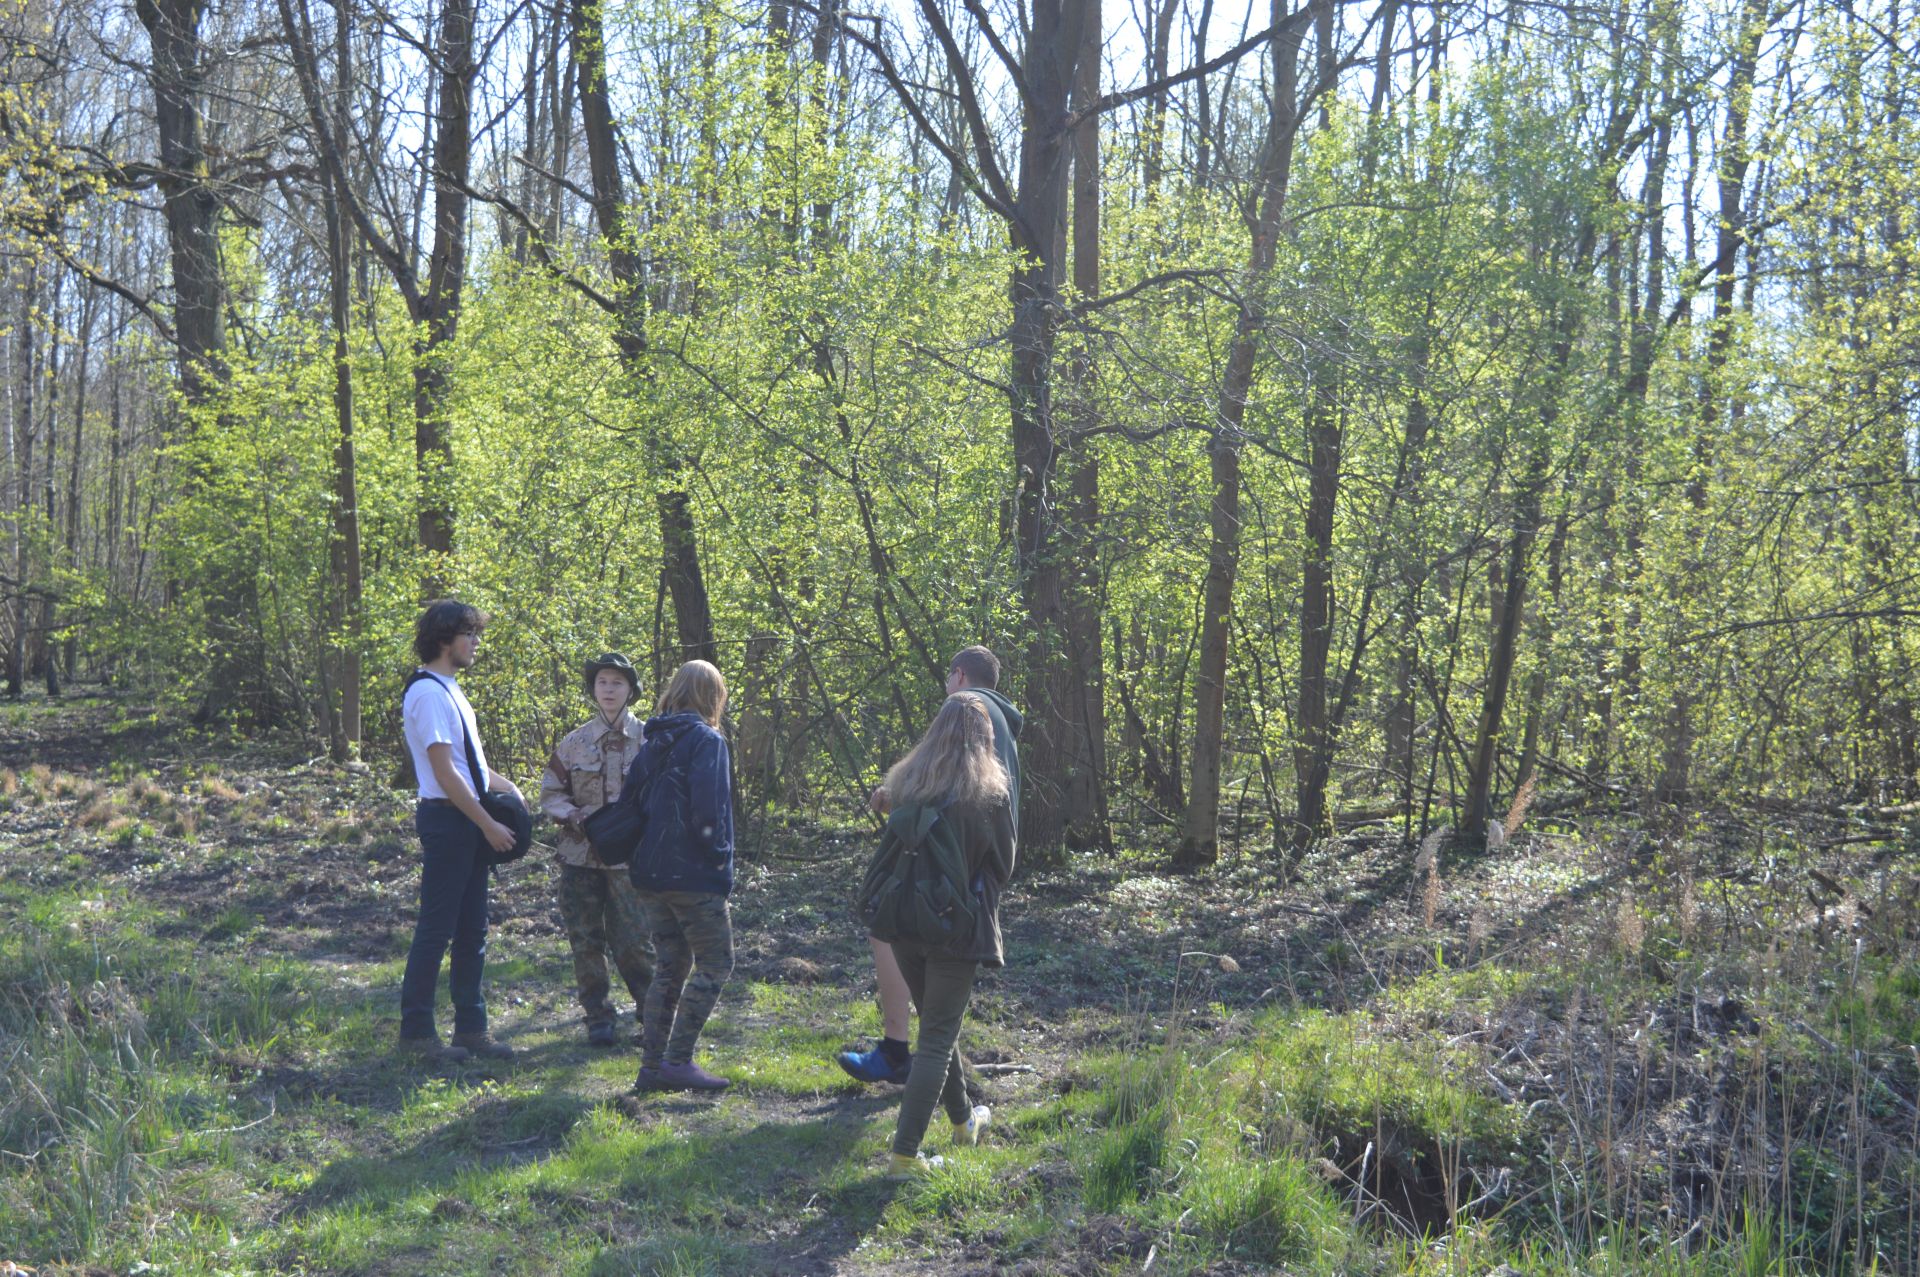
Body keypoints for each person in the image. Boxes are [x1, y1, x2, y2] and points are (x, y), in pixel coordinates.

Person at [840, 645, 1022, 1085]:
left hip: (948, 866)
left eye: (947, 677)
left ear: (958, 675)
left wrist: (899, 799)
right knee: (937, 1000)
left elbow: (950, 790)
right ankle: (946, 1090)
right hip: (976, 865)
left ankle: (897, 1051)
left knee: (889, 923)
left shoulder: (964, 707)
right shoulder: (1003, 721)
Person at [870, 694, 1016, 1179]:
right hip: (956, 926)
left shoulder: (906, 784)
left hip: (904, 922)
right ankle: (904, 1157)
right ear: (985, 739)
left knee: (936, 1022)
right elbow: (1003, 866)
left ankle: (963, 1121)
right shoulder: (989, 796)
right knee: (935, 1038)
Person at [397, 599, 525, 1063]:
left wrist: (510, 791)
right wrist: (487, 823)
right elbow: (445, 774)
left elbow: (470, 766)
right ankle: (417, 1035)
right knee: (436, 929)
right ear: (443, 639)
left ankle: (472, 1030)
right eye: (469, 634)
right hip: (449, 820)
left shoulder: (450, 689)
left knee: (473, 930)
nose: (475, 643)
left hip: (465, 818)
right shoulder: (428, 694)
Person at [625, 659, 737, 1092]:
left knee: (669, 967)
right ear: (714, 697)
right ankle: (677, 1060)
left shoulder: (652, 742)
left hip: (649, 873)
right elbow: (709, 812)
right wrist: (720, 861)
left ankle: (652, 1067)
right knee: (716, 963)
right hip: (693, 876)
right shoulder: (707, 741)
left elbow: (631, 805)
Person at [540, 653, 656, 1047]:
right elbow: (550, 793)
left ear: (631, 691)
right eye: (602, 682)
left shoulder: (650, 742)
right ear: (593, 689)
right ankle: (598, 1017)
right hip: (580, 858)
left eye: (617, 683)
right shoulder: (574, 743)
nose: (608, 689)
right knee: (585, 941)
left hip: (630, 862)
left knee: (635, 942)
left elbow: (664, 796)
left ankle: (653, 1017)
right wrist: (574, 815)